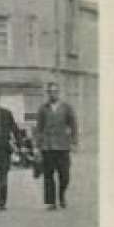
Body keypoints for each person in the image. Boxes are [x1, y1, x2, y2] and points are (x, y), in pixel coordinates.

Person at [35, 82, 79, 210]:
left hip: (63, 146)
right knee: (48, 175)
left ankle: (61, 195)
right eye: (50, 92)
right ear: (47, 93)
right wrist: (38, 146)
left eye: (55, 91)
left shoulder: (66, 107)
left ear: (58, 93)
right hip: (47, 146)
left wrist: (74, 141)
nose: (52, 94)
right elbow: (39, 128)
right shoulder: (43, 109)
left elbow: (73, 125)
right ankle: (51, 202)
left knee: (65, 175)